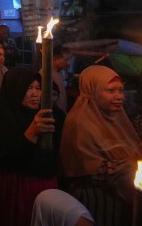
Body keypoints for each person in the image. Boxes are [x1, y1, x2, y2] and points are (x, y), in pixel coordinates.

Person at [60, 65, 142, 226]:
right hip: (97, 200)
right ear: (93, 91)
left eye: (121, 90)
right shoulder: (79, 122)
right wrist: (133, 163)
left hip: (124, 196)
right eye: (111, 91)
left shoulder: (117, 117)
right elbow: (92, 169)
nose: (119, 97)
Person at [0, 67, 62, 226]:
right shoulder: (4, 121)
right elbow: (4, 159)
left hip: (42, 186)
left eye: (38, 88)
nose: (35, 94)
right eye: (28, 88)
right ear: (15, 90)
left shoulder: (47, 116)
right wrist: (32, 132)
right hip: (14, 190)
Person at [41, 45, 71, 113]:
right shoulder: (47, 75)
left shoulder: (56, 74)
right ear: (55, 58)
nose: (68, 63)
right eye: (66, 60)